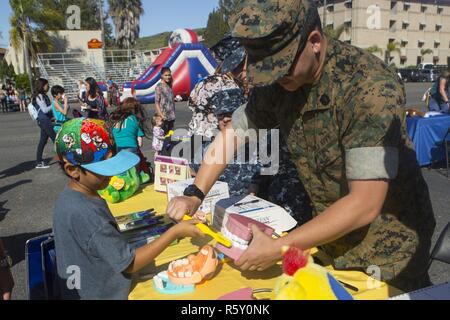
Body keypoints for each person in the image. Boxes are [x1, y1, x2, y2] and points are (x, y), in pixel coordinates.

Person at [167, 0, 436, 293]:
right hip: (329, 238)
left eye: (282, 67)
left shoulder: (367, 86)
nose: (277, 78)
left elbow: (364, 202)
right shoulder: (279, 82)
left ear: (315, 41)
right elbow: (234, 133)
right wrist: (195, 193)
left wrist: (279, 247)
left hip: (387, 250)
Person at [53, 118, 204, 300]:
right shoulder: (87, 214)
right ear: (72, 170)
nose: (111, 173)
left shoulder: (70, 196)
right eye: (102, 168)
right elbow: (130, 264)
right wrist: (174, 232)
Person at [34, 78, 56, 169]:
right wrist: (54, 104)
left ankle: (39, 162)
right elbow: (45, 110)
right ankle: (67, 157)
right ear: (42, 86)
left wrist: (52, 117)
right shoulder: (39, 96)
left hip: (45, 120)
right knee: (55, 139)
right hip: (44, 120)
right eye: (47, 85)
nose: (48, 86)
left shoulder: (43, 95)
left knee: (43, 141)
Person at [155, 67, 176, 134]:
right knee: (163, 137)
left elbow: (168, 99)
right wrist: (161, 115)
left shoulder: (169, 85)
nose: (168, 77)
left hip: (171, 116)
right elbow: (156, 102)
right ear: (161, 75)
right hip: (163, 116)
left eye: (169, 75)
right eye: (166, 75)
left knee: (170, 135)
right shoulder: (159, 86)